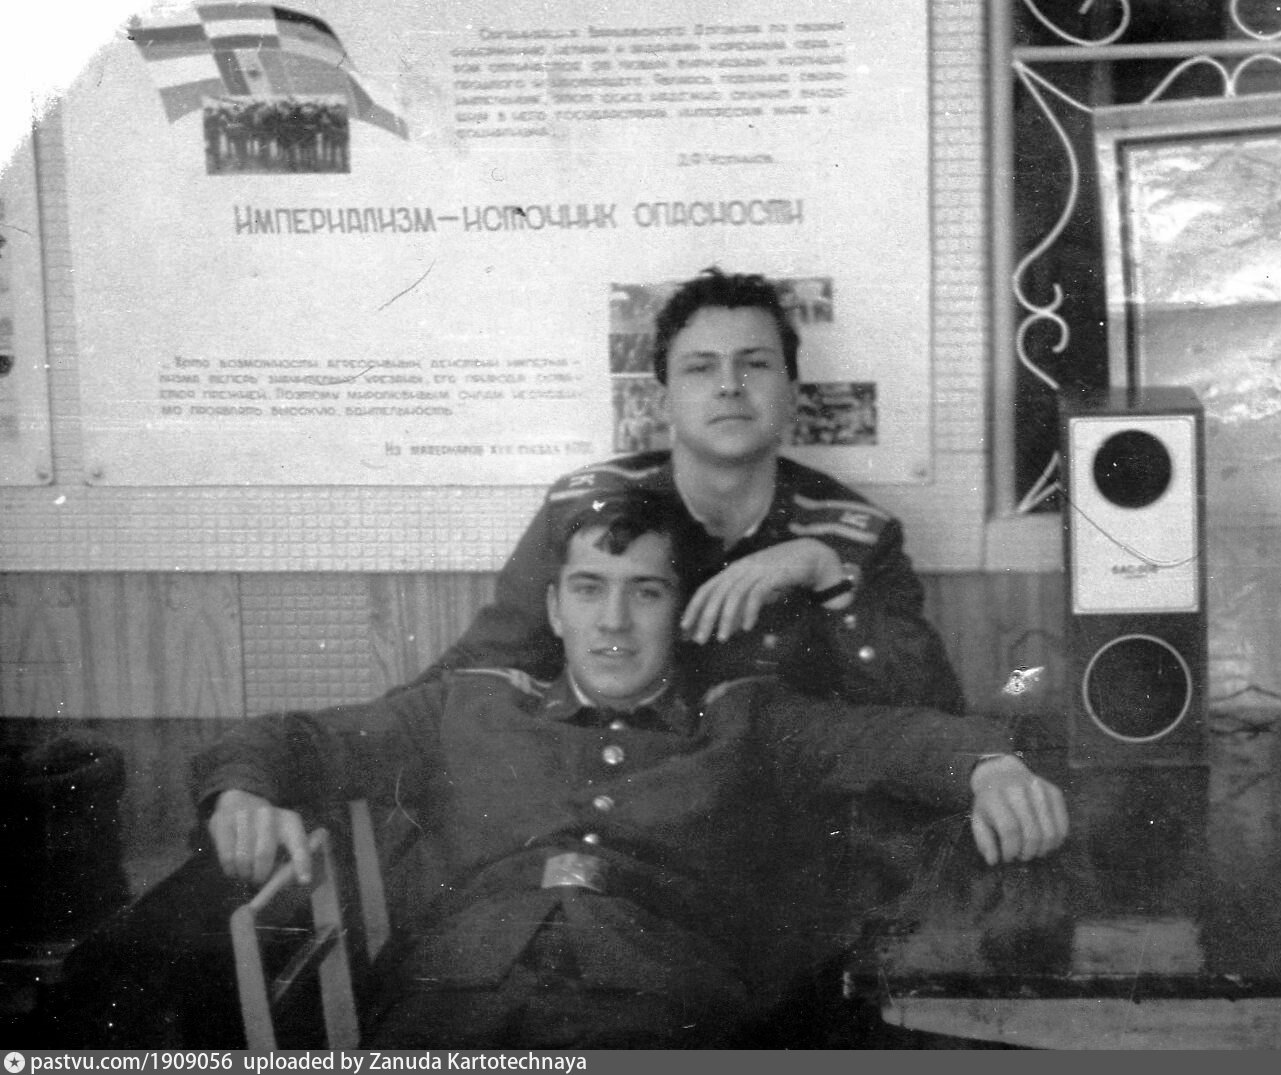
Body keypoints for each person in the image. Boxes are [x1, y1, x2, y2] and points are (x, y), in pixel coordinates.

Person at [193, 490, 1068, 1049]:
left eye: (644, 591)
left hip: (666, 1011)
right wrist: (243, 791)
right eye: (589, 588)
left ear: (678, 608)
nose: (613, 621)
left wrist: (991, 768)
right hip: (454, 1010)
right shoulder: (466, 705)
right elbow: (291, 737)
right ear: (554, 607)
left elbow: (898, 736)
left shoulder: (745, 718)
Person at [400, 267, 964, 711]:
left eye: (755, 364)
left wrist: (825, 577)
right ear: (663, 400)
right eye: (700, 368)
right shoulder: (585, 507)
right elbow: (481, 668)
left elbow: (930, 711)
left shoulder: (854, 535)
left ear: (793, 396)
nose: (729, 386)